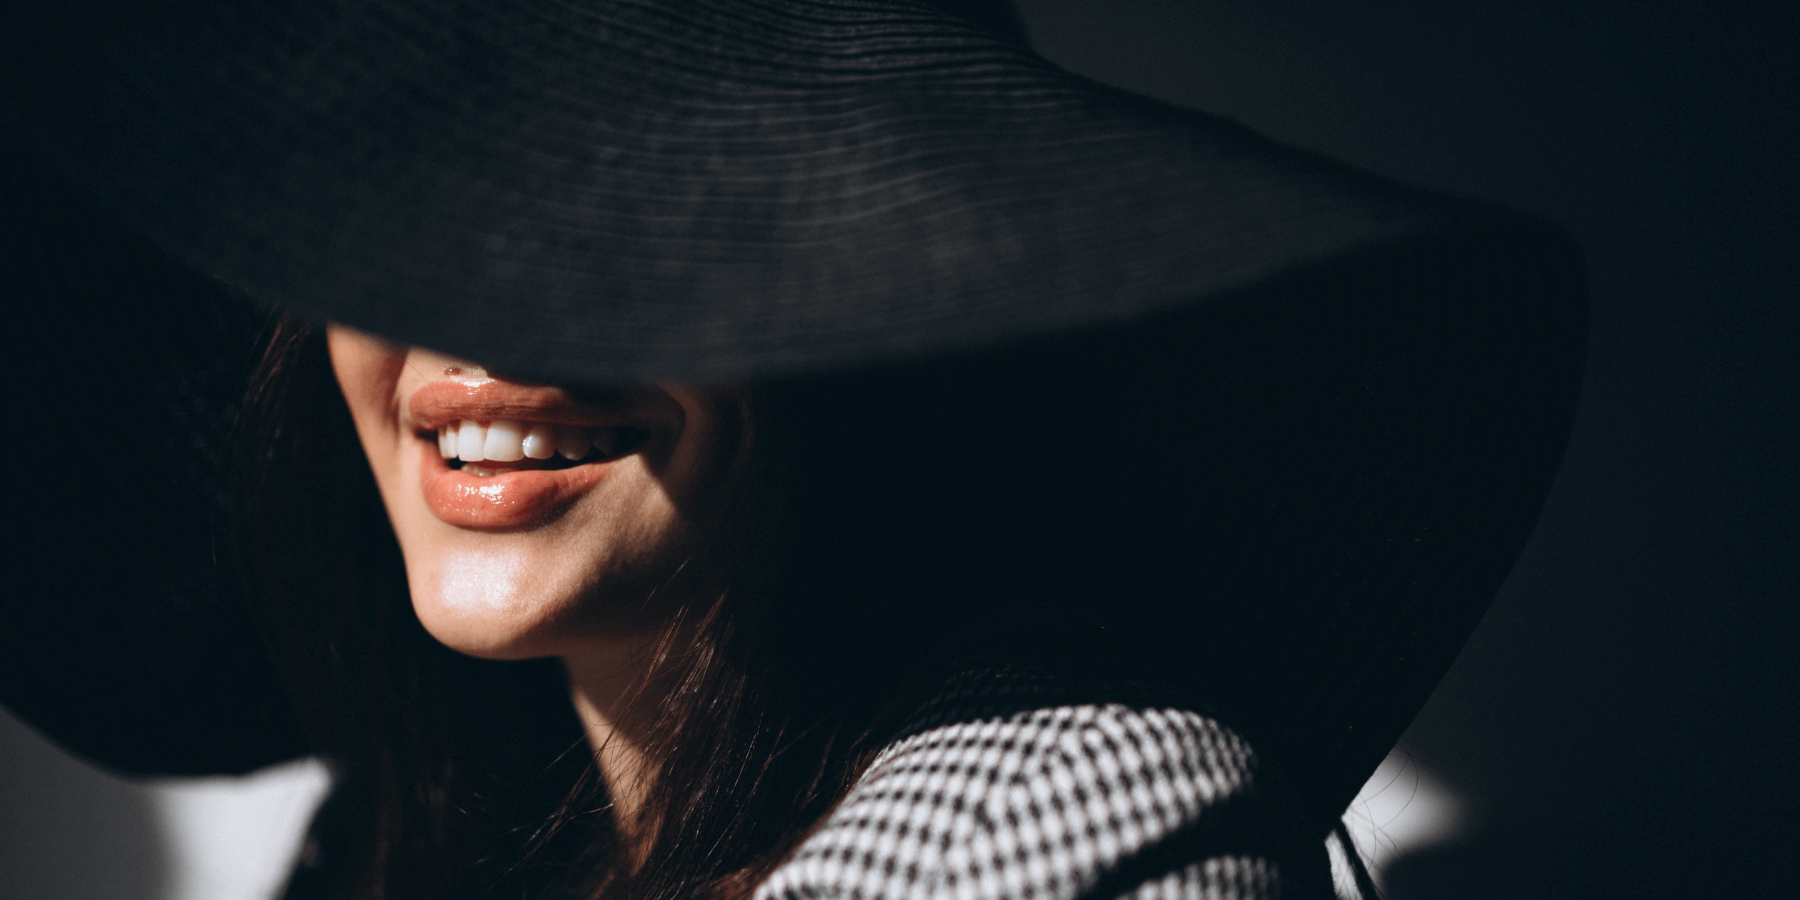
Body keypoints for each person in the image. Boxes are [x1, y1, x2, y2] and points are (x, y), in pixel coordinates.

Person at [1, 0, 1585, 898]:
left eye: (624, 223)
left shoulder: (1065, 830)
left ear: (861, 310)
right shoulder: (396, 850)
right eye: (406, 215)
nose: (477, 332)